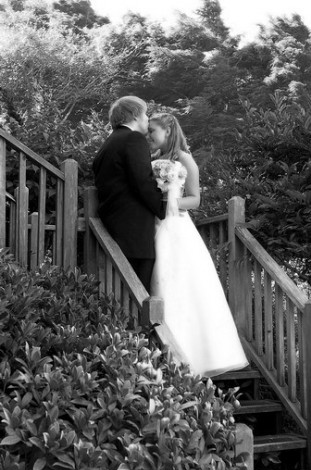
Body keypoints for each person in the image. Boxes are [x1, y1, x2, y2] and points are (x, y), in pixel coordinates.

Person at [149, 112, 249, 377]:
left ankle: (191, 354)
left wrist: (167, 202)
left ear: (167, 131)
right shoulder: (152, 160)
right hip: (155, 225)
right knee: (159, 280)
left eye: (152, 131)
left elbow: (194, 200)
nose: (149, 136)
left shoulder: (185, 160)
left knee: (181, 284)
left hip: (177, 227)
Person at [92, 96, 166, 292]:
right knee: (138, 296)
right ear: (135, 116)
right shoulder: (133, 139)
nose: (147, 119)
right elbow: (143, 182)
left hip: (115, 226)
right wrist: (164, 210)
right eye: (145, 114)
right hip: (135, 233)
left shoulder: (107, 145)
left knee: (118, 294)